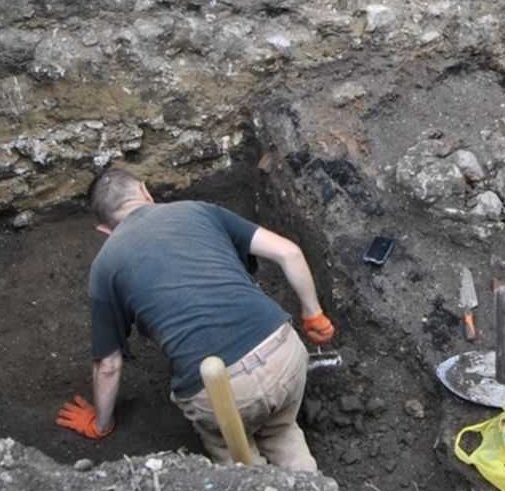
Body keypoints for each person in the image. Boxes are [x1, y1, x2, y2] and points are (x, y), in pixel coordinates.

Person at [55, 168, 335, 471]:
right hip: (285, 357)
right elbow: (289, 253)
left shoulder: (104, 265)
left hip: (221, 395)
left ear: (104, 230)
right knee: (281, 429)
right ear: (146, 192)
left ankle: (255, 481)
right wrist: (313, 315)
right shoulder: (198, 210)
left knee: (243, 467)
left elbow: (108, 365)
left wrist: (101, 423)